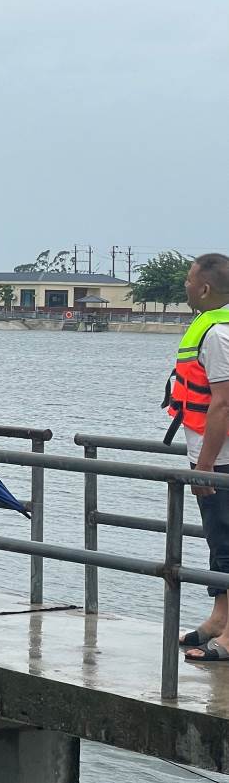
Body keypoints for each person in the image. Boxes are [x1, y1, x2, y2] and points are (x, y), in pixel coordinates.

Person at [169, 254, 229, 662]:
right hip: (209, 455)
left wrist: (205, 465)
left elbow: (223, 403)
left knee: (228, 541)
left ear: (204, 288)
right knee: (218, 541)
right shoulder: (211, 325)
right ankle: (219, 618)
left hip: (221, 460)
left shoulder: (219, 334)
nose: (186, 286)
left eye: (189, 280)